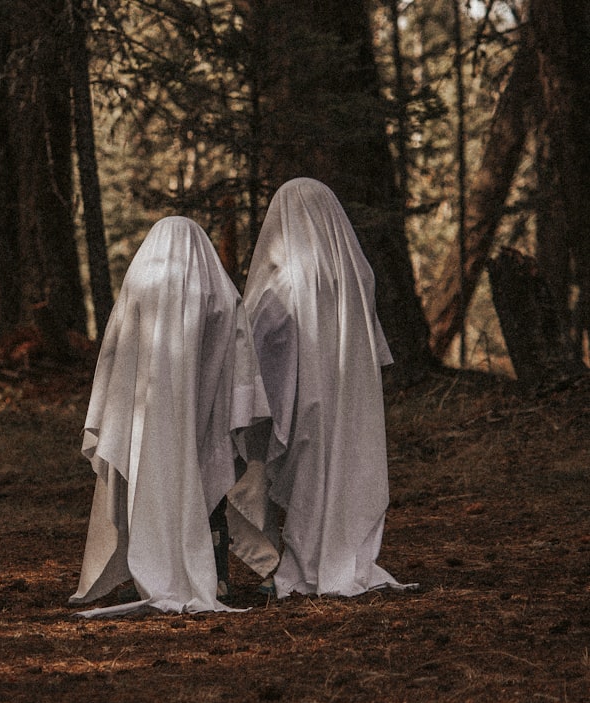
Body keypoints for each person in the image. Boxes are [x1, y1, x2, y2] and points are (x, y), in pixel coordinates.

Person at [69, 216, 271, 617]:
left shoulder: (139, 282)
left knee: (147, 484)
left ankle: (148, 572)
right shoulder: (219, 290)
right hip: (205, 424)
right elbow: (239, 362)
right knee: (205, 484)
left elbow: (113, 355)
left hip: (144, 427)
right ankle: (216, 576)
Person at [225, 177, 415, 597]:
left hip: (303, 402)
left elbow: (261, 343)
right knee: (344, 474)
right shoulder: (352, 272)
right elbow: (374, 348)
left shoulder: (283, 281)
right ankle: (346, 561)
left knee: (308, 479)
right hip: (351, 401)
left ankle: (305, 568)